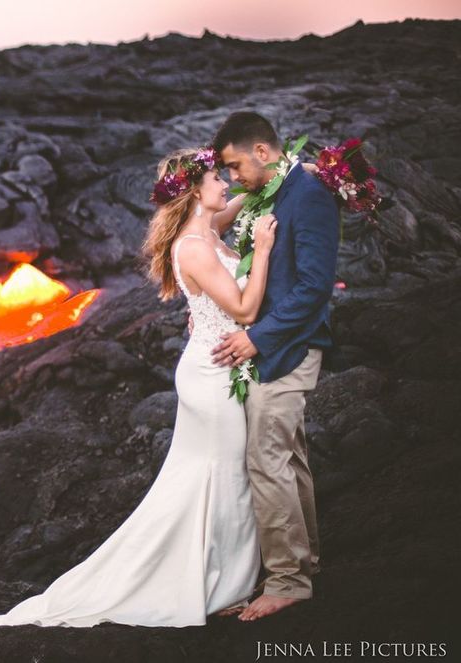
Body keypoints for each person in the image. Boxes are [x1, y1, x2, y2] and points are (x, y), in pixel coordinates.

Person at [0, 146, 278, 629]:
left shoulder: (209, 228)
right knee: (225, 475)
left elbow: (247, 197)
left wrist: (290, 172)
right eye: (216, 178)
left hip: (215, 364)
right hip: (213, 373)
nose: (225, 182)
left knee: (210, 478)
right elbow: (245, 311)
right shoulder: (196, 246)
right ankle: (212, 582)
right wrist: (262, 251)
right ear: (194, 192)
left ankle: (215, 575)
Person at [210, 111, 339, 622]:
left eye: (236, 166)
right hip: (274, 346)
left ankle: (289, 580)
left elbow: (313, 287)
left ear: (262, 152)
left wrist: (255, 338)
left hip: (287, 348)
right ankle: (307, 560)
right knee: (289, 456)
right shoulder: (275, 190)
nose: (233, 178)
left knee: (265, 459)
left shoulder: (307, 196)